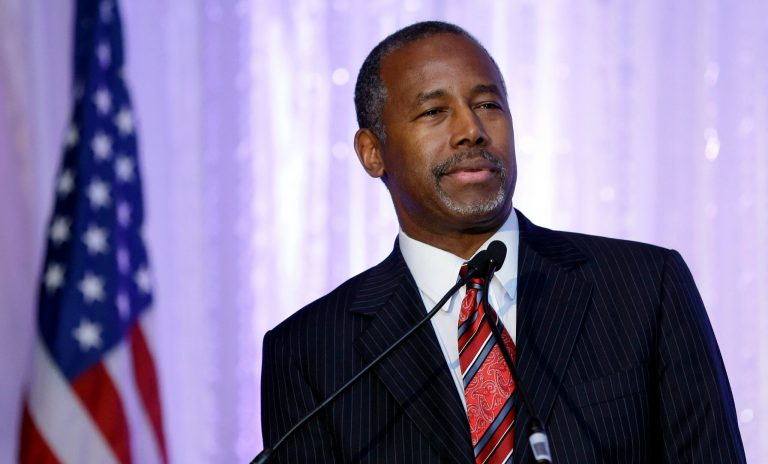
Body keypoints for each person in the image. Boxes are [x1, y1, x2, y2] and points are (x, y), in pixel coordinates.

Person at [260, 21, 746, 463]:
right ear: (372, 152)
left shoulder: (642, 288)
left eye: (488, 105)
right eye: (434, 111)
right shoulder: (309, 352)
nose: (471, 131)